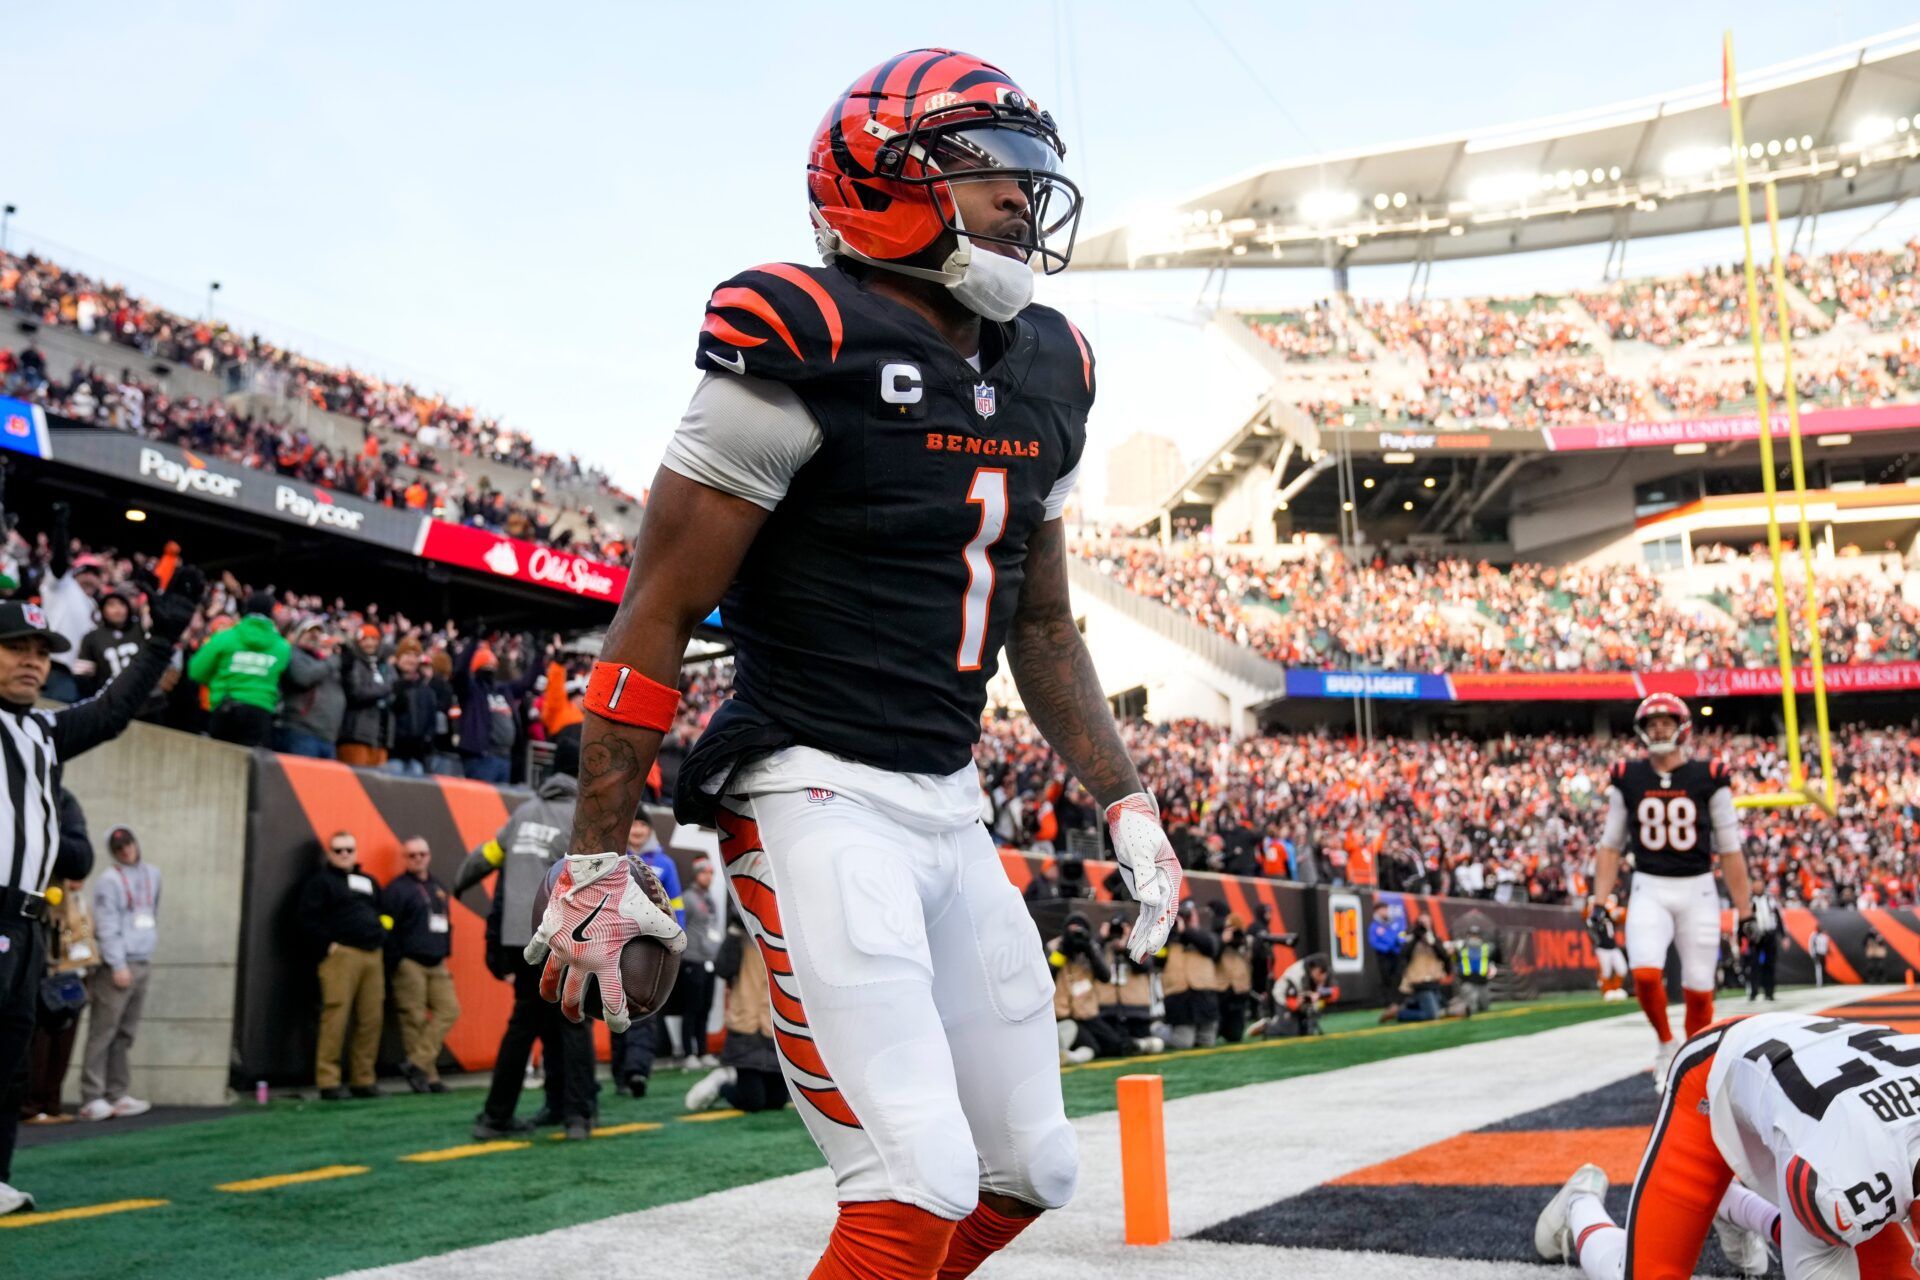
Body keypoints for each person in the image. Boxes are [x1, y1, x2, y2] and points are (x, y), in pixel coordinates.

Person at [528, 48, 1178, 1280]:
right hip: (811, 785)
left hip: (949, 798)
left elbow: (1040, 625)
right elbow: (655, 612)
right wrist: (598, 855)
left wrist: (1125, 795)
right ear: (882, 178)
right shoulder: (802, 333)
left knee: (1027, 1168)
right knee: (912, 1181)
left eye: (1034, 177)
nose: (1024, 203)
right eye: (994, 171)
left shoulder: (1052, 363)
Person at [0, 568, 205, 1215]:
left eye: (40, 654)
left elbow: (113, 714)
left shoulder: (42, 734)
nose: (33, 664)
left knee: (11, 1065)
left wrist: (161, 638)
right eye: (16, 649)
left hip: (30, 921)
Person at [1536, 1011, 1920, 1279]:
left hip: (1818, 1080)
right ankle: (1577, 1204)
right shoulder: (1841, 1180)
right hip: (1717, 1073)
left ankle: (1731, 1204)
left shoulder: (1852, 1177)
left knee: (1852, 1239)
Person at [1586, 694, 1753, 1093]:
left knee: (1699, 989)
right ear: (1642, 729)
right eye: (1653, 721)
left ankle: (1691, 1063)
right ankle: (1665, 1044)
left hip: (1698, 889)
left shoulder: (1709, 774)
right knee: (1644, 972)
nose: (1659, 728)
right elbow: (1610, 844)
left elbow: (1730, 848)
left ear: (1683, 726)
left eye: (1667, 720)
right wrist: (1598, 901)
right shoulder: (1628, 776)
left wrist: (1744, 910)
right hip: (1649, 885)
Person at [453, 737, 596, 1139]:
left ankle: (500, 1116)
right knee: (573, 1023)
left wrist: (459, 882)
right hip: (565, 935)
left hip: (520, 939)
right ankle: (578, 1116)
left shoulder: (523, 813)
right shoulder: (583, 816)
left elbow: (486, 856)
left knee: (525, 1026)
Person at [295, 832, 387, 1100]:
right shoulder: (320, 882)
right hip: (342, 955)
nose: (345, 854)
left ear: (357, 852)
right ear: (330, 854)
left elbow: (382, 912)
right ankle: (328, 1081)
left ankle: (363, 1079)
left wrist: (383, 934)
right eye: (338, 850)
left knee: (371, 1019)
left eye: (349, 849)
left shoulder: (368, 881)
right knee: (335, 1017)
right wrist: (328, 945)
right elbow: (305, 919)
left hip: (373, 954)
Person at [77, 826, 159, 1121]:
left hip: (142, 960)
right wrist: (117, 963)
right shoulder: (109, 881)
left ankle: (117, 1092)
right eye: (119, 847)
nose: (126, 850)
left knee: (125, 1034)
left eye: (129, 844)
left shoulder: (152, 874)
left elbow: (151, 911)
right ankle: (92, 1095)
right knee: (103, 1031)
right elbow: (106, 924)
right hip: (117, 965)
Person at [684, 919, 790, 1115]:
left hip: (773, 1027)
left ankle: (732, 1079)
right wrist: (734, 932)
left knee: (777, 1101)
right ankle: (722, 1084)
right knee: (753, 1103)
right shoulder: (738, 936)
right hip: (746, 1026)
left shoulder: (786, 937)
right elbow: (723, 969)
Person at [382, 836, 459, 1093]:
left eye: (422, 854)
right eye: (412, 855)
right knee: (413, 1019)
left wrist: (446, 948)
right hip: (409, 962)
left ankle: (415, 1064)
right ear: (405, 858)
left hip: (436, 961)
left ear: (429, 855)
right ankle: (429, 1077)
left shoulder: (438, 886)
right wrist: (397, 959)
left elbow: (446, 921)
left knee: (449, 1010)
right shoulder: (396, 889)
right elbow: (386, 927)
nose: (418, 859)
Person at [22, 877, 91, 1124]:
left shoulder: (80, 901)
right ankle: (32, 1105)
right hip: (53, 977)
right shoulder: (52, 900)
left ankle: (52, 1103)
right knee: (41, 1043)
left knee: (64, 1042)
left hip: (76, 976)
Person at [187, 590, 289, 749]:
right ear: (271, 614)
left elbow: (196, 670)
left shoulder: (225, 637)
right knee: (252, 771)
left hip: (226, 709)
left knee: (219, 767)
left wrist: (219, 681)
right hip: (260, 714)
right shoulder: (282, 647)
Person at [672, 854, 721, 1069]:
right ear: (696, 874)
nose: (708, 876)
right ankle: (688, 1054)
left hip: (709, 960)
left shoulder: (709, 899)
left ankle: (703, 1051)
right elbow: (679, 927)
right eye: (704, 872)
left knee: (705, 1008)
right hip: (692, 960)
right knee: (691, 1008)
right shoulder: (688, 898)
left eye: (711, 872)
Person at [1048, 913, 1112, 1063]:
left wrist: (1089, 949)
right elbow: (1047, 975)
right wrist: (1062, 951)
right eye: (1072, 930)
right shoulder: (1053, 947)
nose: (1075, 934)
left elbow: (1105, 976)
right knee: (1092, 1047)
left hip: (1086, 1013)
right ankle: (1065, 1055)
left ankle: (1066, 1053)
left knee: (1112, 1043)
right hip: (1063, 1015)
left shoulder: (1090, 946)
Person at [1160, 899, 1221, 1050]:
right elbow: (1157, 960)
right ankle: (1158, 1031)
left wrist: (1187, 931)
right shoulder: (1166, 938)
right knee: (1183, 1043)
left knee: (1207, 1042)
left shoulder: (1205, 936)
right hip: (1179, 997)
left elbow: (1212, 947)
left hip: (1204, 996)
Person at [279, 620, 345, 759]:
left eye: (318, 633)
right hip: (300, 732)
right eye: (309, 632)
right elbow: (304, 676)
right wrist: (334, 660)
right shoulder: (294, 653)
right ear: (299, 635)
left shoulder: (325, 662)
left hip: (328, 736)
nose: (314, 636)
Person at [337, 624, 394, 769]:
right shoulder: (354, 663)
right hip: (356, 736)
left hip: (380, 739)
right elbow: (356, 692)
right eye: (365, 639)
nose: (369, 643)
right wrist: (386, 689)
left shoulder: (383, 666)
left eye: (373, 639)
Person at [386, 638, 438, 776]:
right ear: (398, 657)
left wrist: (426, 741)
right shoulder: (387, 679)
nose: (411, 659)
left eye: (415, 655)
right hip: (391, 754)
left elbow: (431, 721)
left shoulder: (425, 689)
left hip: (417, 756)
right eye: (407, 654)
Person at [1273, 955, 1337, 1037]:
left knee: (1303, 1030)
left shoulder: (1325, 971)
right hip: (1283, 998)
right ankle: (1268, 1025)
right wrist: (1299, 1003)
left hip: (1301, 1000)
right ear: (1313, 969)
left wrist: (1320, 994)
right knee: (1291, 1032)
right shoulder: (1297, 975)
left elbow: (1335, 992)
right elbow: (1290, 1000)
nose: (1322, 977)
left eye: (1323, 973)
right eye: (1319, 973)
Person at [1744, 885, 1781, 1003]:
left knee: (1770, 965)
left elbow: (1778, 917)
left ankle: (1769, 992)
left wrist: (1783, 935)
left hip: (1769, 935)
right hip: (1755, 938)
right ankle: (1753, 992)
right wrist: (1741, 938)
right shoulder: (1749, 901)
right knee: (1753, 965)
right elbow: (1742, 920)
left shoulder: (1770, 900)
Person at [1368, 903, 1408, 1008]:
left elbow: (1401, 934)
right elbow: (1374, 942)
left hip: (1396, 954)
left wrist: (1399, 942)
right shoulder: (1374, 926)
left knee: (1398, 977)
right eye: (1382, 909)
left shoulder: (1394, 923)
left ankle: (1399, 1002)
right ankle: (1388, 1003)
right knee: (1386, 979)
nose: (1385, 912)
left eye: (1386, 909)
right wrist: (1387, 947)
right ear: (1377, 911)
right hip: (1384, 956)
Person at [1593, 893, 1629, 1002]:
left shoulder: (1611, 918)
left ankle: (1615, 989)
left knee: (1622, 969)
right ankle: (1606, 991)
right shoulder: (1595, 918)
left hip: (1613, 947)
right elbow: (1590, 919)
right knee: (1606, 972)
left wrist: (1614, 910)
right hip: (1603, 948)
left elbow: (1621, 916)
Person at [1455, 923, 1495, 1016]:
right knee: (1471, 1007)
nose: (1474, 937)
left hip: (1482, 980)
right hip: (1468, 980)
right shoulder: (1461, 947)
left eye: (1476, 935)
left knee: (1485, 1006)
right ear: (1468, 935)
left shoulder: (1486, 947)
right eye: (1472, 934)